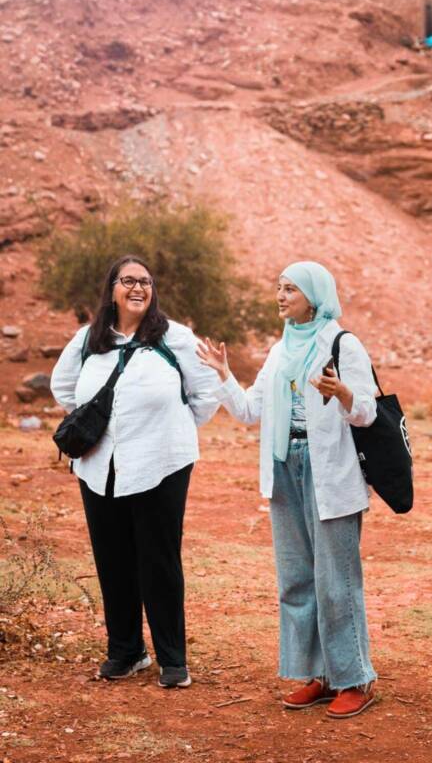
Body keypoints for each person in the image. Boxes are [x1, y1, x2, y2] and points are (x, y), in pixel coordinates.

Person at [197, 261, 378, 719]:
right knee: (297, 579)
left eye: (291, 289)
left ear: (314, 295)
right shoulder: (280, 351)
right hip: (284, 469)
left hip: (329, 472)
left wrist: (342, 394)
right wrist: (223, 375)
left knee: (336, 580)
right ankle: (318, 675)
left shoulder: (343, 343)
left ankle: (355, 678)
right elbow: (249, 412)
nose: (280, 296)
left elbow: (369, 413)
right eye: (278, 288)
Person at [51, 255, 220, 688]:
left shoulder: (175, 338)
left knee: (159, 560)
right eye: (128, 281)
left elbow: (205, 393)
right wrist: (98, 424)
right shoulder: (89, 339)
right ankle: (126, 653)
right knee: (113, 559)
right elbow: (63, 387)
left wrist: (170, 428)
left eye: (145, 281)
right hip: (98, 465)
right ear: (112, 289)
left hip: (161, 462)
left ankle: (172, 658)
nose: (138, 288)